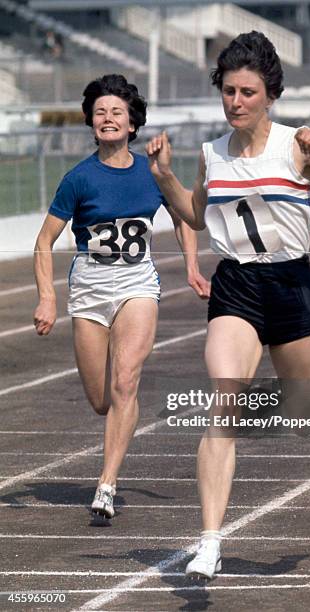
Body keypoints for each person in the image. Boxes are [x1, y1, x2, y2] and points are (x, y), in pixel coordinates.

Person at [146, 31, 310, 578]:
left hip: (292, 284)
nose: (235, 102)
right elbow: (197, 215)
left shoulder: (297, 143)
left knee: (307, 410)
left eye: (247, 92)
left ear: (269, 94)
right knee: (223, 405)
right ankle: (209, 541)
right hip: (237, 287)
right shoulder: (211, 154)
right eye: (228, 91)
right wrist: (164, 179)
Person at [33, 74, 209, 521]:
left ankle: (106, 485)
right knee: (101, 399)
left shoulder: (152, 174)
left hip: (137, 284)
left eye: (116, 112)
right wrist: (47, 299)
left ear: (132, 124)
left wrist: (191, 266)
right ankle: (121, 413)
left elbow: (186, 216)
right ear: (91, 124)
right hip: (89, 289)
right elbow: (43, 242)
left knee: (126, 378)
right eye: (100, 112)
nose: (107, 119)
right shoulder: (78, 179)